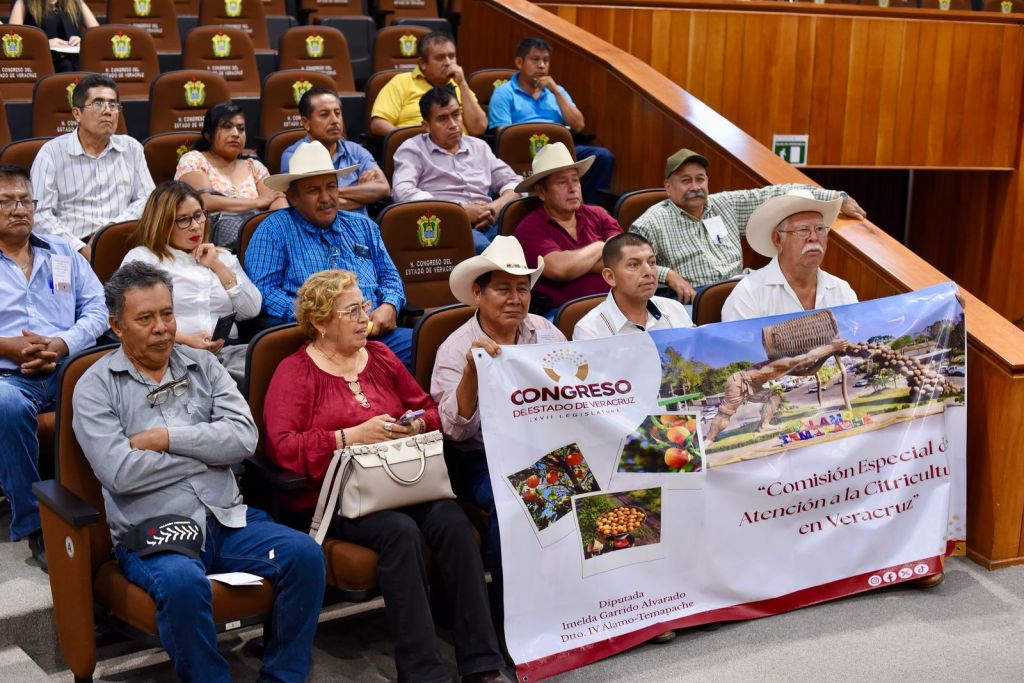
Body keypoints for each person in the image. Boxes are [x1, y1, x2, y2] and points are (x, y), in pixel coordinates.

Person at [71, 261, 326, 682]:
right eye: (146, 319)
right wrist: (208, 452)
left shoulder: (203, 365)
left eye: (167, 314)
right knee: (182, 584)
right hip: (156, 529)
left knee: (305, 555)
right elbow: (120, 472)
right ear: (116, 326)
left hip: (226, 517)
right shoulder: (95, 386)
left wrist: (165, 439)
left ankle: (283, 677)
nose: (162, 328)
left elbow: (243, 439)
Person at [263, 270, 508, 683]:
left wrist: (415, 425)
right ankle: (423, 673)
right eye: (352, 311)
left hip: (402, 481)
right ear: (320, 322)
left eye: (364, 307)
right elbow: (282, 448)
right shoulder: (295, 371)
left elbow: (429, 410)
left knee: (452, 522)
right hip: (336, 494)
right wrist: (348, 437)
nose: (366, 318)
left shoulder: (380, 356)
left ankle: (482, 663)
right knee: (400, 532)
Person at [431, 236, 565, 612]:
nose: (515, 299)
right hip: (483, 459)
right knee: (522, 498)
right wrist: (472, 374)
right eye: (503, 289)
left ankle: (587, 604)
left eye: (522, 289)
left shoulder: (545, 331)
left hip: (546, 448)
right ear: (478, 293)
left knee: (608, 477)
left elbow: (572, 393)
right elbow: (454, 432)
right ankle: (517, 614)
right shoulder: (455, 349)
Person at [0, 163, 107, 572]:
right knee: (6, 405)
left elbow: (98, 310)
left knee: (114, 382)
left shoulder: (63, 253)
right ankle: (35, 524)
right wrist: (8, 347)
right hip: (7, 377)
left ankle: (110, 502)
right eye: (6, 202)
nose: (19, 209)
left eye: (25, 200)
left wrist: (62, 343)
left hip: (65, 366)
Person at [244, 140, 413, 367]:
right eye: (314, 190)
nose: (326, 198)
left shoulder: (364, 226)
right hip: (316, 341)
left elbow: (390, 278)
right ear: (293, 197)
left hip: (375, 335)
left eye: (331, 187)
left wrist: (390, 305)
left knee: (427, 345)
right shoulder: (273, 231)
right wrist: (322, 318)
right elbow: (265, 293)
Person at [630, 148, 866, 302]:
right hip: (694, 301)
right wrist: (669, 274)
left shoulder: (726, 204)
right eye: (686, 180)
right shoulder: (651, 222)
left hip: (741, 290)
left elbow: (780, 193)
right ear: (668, 187)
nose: (695, 186)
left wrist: (836, 197)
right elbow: (630, 264)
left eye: (700, 179)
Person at [121, 181, 262, 385]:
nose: (195, 226)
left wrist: (216, 265)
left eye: (198, 215)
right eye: (183, 220)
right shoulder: (144, 259)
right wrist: (187, 340)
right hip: (172, 354)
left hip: (229, 352)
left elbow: (251, 310)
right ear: (162, 223)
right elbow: (134, 320)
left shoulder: (222, 257)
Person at [31, 74, 155, 260]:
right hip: (70, 250)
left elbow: (148, 200)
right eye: (98, 104)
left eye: (113, 105)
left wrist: (111, 229)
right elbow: (39, 214)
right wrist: (80, 248)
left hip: (125, 243)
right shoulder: (51, 153)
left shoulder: (131, 148)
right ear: (77, 114)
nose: (108, 111)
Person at [391, 86, 520, 253]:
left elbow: (514, 183)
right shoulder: (413, 149)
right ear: (427, 126)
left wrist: (494, 208)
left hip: (491, 220)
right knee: (482, 247)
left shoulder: (479, 146)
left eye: (456, 115)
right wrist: (458, 210)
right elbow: (402, 191)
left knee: (528, 233)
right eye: (442, 119)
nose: (453, 125)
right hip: (445, 223)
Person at [488, 37, 614, 204]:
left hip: (560, 150)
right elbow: (503, 134)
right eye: (535, 59)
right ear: (519, 62)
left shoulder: (556, 91)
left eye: (546, 60)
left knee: (603, 157)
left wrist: (556, 91)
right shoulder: (504, 92)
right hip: (525, 153)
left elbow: (578, 125)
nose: (541, 65)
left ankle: (589, 209)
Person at [513, 142, 622, 312]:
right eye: (562, 183)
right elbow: (560, 269)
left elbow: (623, 256)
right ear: (541, 192)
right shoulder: (528, 228)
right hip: (560, 314)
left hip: (614, 305)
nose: (573, 189)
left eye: (576, 180)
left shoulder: (598, 214)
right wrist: (601, 246)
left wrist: (578, 265)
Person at [721, 189, 858, 321]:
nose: (814, 237)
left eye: (820, 229)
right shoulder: (748, 294)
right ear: (778, 240)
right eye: (803, 230)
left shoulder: (842, 290)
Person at [175, 102, 287, 246]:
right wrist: (257, 202)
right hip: (211, 243)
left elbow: (277, 199)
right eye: (227, 126)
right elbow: (203, 201)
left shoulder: (254, 166)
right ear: (208, 134)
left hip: (259, 241)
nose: (235, 134)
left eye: (241, 129)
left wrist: (282, 229)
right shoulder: (194, 159)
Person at [279, 87, 389, 217]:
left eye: (337, 113)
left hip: (361, 227)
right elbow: (309, 206)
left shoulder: (356, 151)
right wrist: (362, 196)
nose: (335, 120)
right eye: (325, 114)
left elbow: (383, 188)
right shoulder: (294, 155)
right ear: (306, 122)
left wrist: (332, 193)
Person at [574, 232, 693, 340]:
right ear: (610, 277)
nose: (648, 272)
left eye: (652, 262)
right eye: (634, 265)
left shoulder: (675, 309)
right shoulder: (590, 331)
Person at [369, 31, 487, 137]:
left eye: (451, 56)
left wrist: (462, 84)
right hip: (418, 150)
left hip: (461, 149)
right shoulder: (401, 82)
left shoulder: (460, 86)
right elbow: (378, 123)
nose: (448, 62)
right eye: (440, 58)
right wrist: (408, 142)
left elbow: (479, 128)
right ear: (422, 63)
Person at [9, 0, 99, 72]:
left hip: (75, 61)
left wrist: (83, 41)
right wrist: (44, 44)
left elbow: (98, 36)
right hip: (43, 62)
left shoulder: (77, 2)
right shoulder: (23, 3)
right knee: (66, 66)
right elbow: (12, 43)